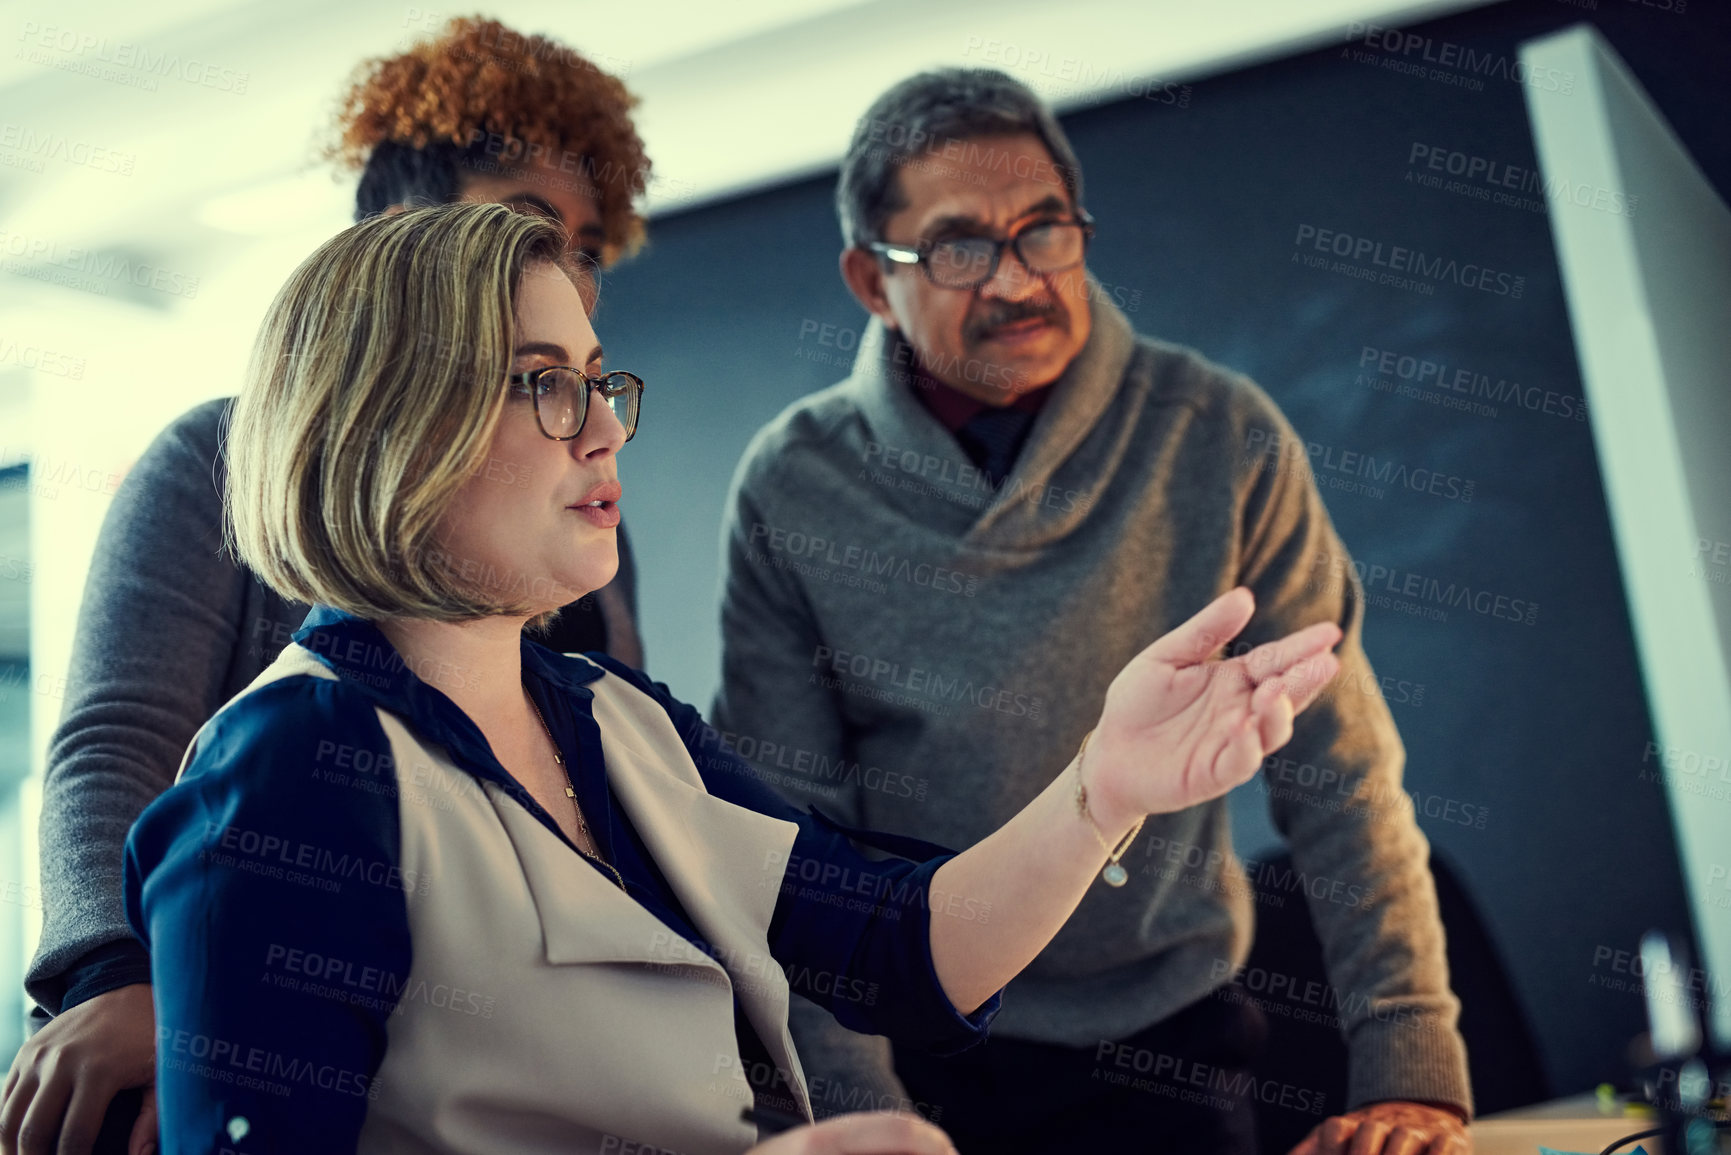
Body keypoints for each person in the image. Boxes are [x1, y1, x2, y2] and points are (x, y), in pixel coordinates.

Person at [128, 201, 1336, 1153]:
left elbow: (903, 947)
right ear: (389, 422)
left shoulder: (617, 720)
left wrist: (1105, 785)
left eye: (598, 379)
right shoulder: (287, 773)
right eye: (544, 382)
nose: (603, 427)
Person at [711, 68, 1474, 1155]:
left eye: (1045, 231)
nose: (1018, 279)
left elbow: (1343, 777)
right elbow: (790, 844)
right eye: (962, 247)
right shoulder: (791, 484)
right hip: (918, 1045)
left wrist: (1414, 1077)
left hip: (1166, 1035)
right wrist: (857, 1110)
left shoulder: (1217, 433)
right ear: (871, 282)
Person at [1, 18, 651, 1155]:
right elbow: (114, 743)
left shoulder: (577, 509)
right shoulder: (218, 460)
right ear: (403, 238)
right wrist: (109, 975)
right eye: (528, 226)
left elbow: (630, 805)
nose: (572, 274)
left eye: (586, 245)